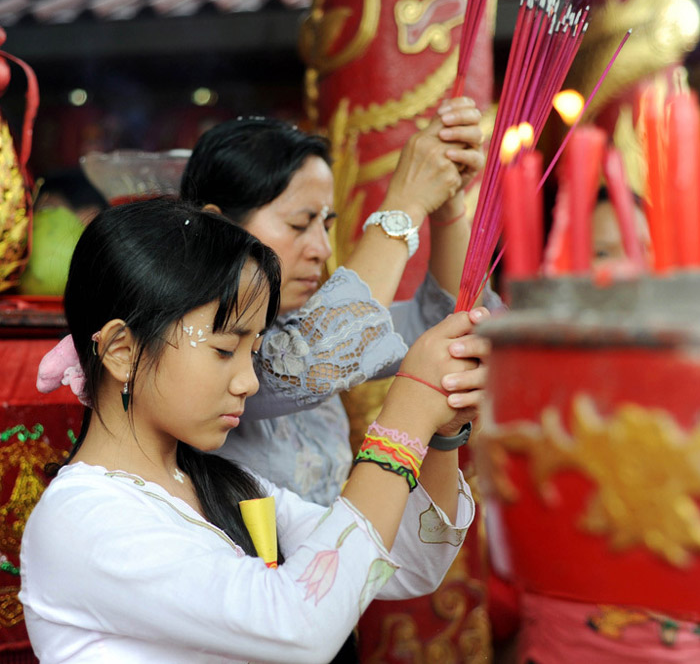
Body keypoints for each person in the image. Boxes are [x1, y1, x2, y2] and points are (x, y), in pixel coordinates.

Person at [22, 198, 482, 663]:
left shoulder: (226, 484)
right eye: (224, 349)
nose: (250, 381)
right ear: (122, 352)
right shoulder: (83, 518)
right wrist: (402, 417)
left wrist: (440, 433)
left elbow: (408, 565)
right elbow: (299, 624)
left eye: (253, 349)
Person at [180, 98, 494, 505]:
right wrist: (404, 203)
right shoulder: (197, 337)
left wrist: (446, 199)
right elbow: (313, 355)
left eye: (326, 225)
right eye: (299, 223)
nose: (321, 249)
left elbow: (449, 323)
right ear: (217, 225)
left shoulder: (299, 320)